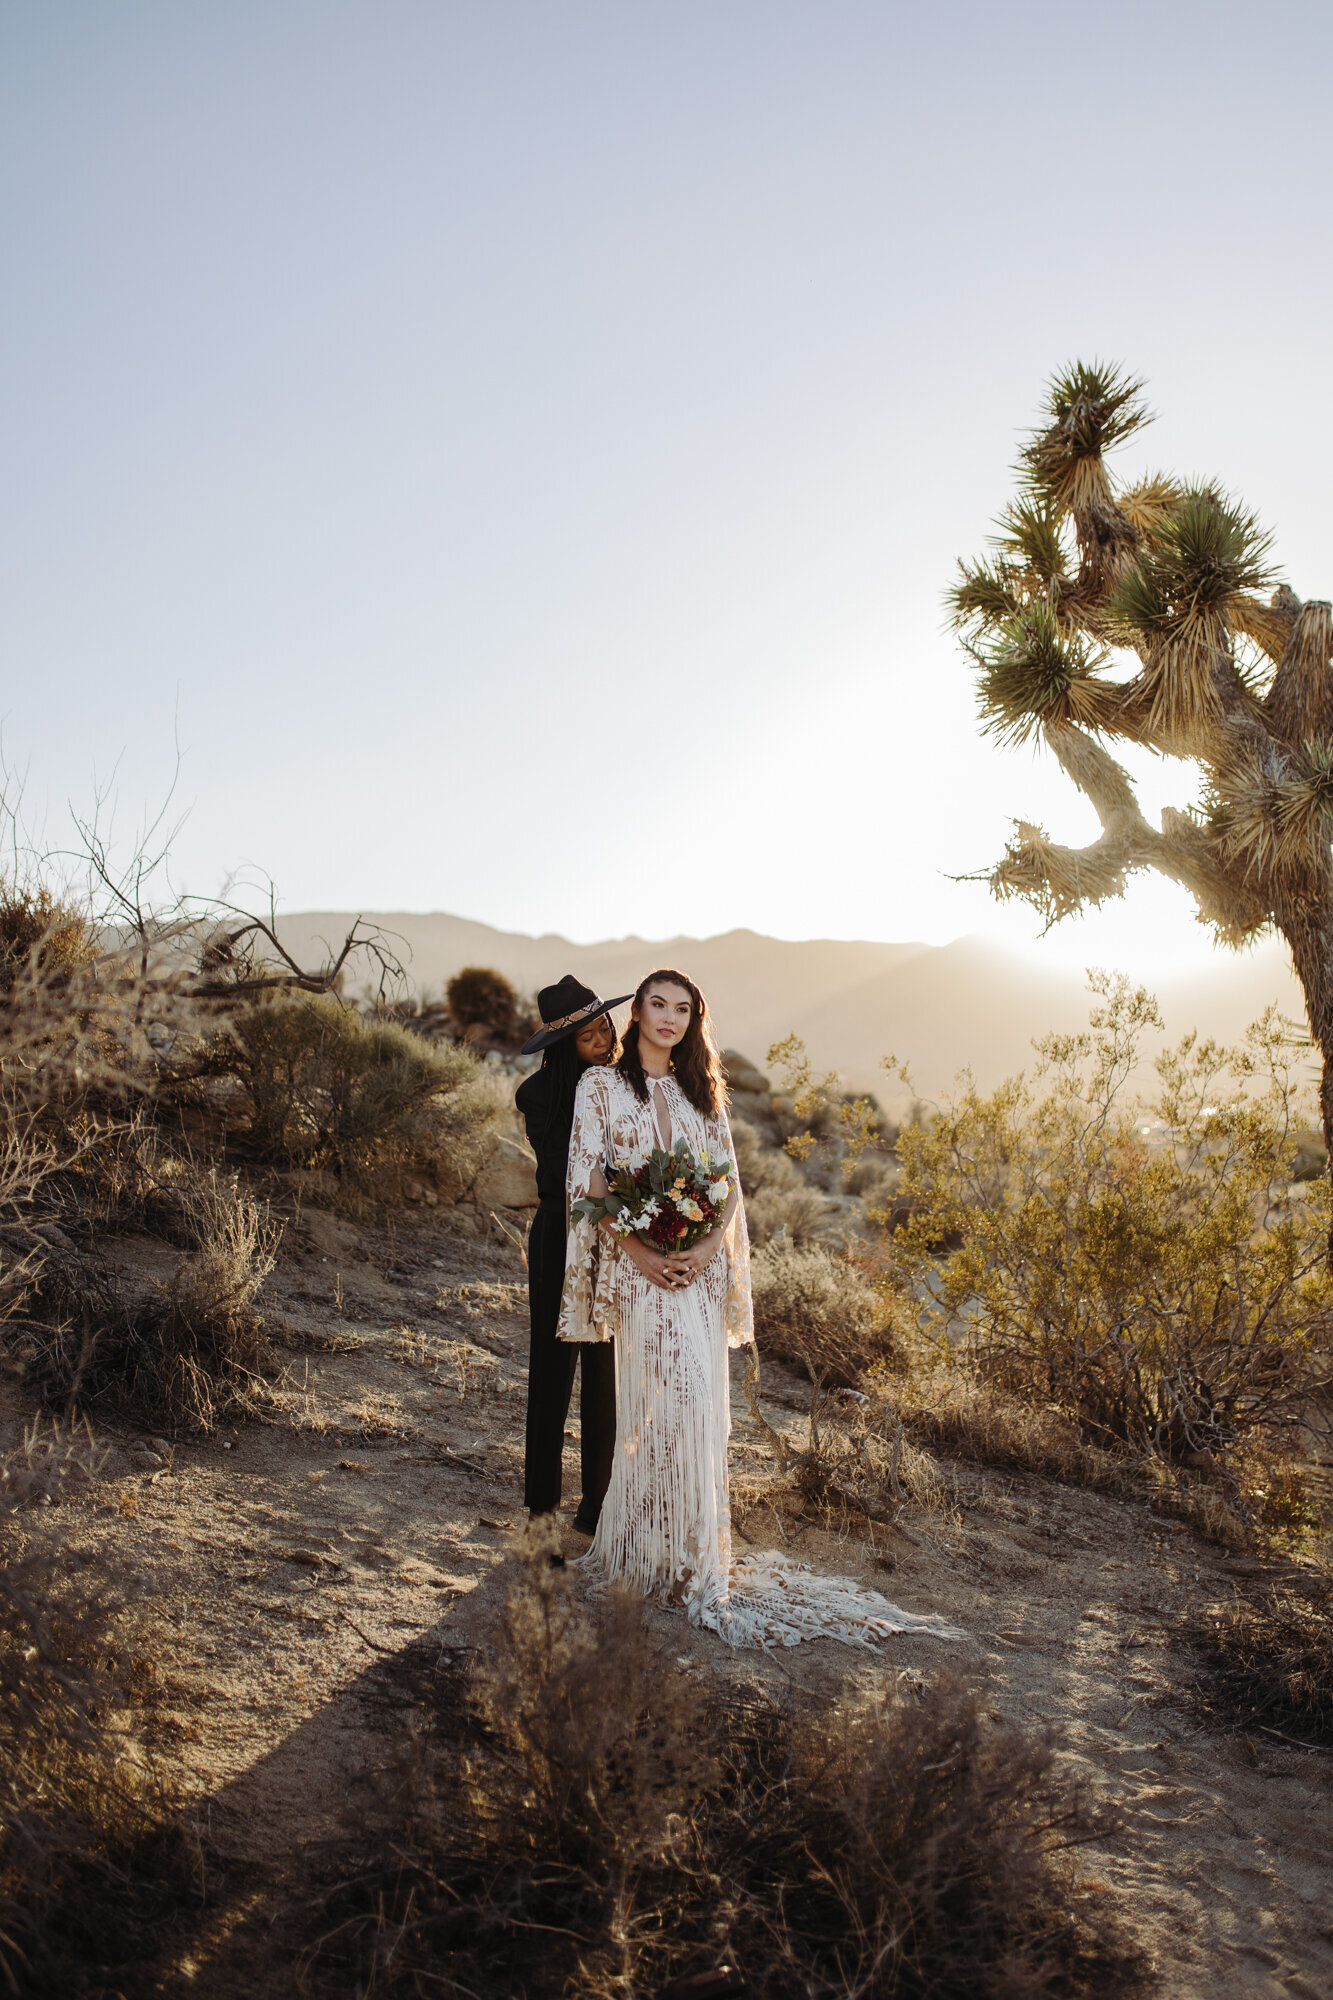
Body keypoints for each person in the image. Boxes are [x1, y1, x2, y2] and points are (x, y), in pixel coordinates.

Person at [557, 967, 962, 1650]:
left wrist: (702, 1249)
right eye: (656, 1004)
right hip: (636, 1274)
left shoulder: (702, 1095)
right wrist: (642, 1252)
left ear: (692, 1021)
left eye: (682, 1009)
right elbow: (591, 1174)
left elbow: (727, 1186)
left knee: (694, 1404)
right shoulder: (600, 1086)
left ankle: (689, 1557)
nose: (667, 1017)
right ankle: (641, 1552)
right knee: (652, 1404)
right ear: (638, 1014)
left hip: (694, 1275)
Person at [516, 975, 630, 1533]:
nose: (603, 1038)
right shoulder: (537, 1096)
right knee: (552, 1372)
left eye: (604, 1025)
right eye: (588, 1035)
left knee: (605, 1374)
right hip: (561, 1236)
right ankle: (541, 1509)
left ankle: (597, 1505)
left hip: (613, 1240)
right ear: (565, 1046)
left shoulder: (624, 1086)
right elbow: (570, 1172)